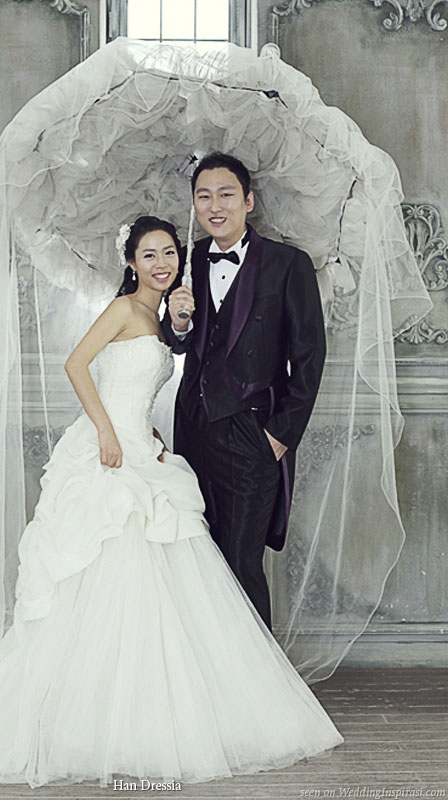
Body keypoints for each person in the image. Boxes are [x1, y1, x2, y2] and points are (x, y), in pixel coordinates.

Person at [0, 216, 342, 788]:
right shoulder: (122, 310)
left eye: (169, 254)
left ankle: (145, 701)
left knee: (158, 575)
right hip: (106, 451)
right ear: (131, 263)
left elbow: (151, 382)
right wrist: (108, 432)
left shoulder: (160, 321)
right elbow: (76, 366)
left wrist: (152, 422)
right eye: (149, 255)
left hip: (142, 450)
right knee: (106, 563)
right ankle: (86, 708)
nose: (161, 264)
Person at [163, 152, 327, 632]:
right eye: (204, 196)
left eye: (226, 194)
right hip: (193, 430)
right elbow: (175, 340)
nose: (215, 206)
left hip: (253, 432)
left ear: (248, 201)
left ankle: (258, 690)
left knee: (240, 560)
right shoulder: (186, 258)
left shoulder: (288, 264)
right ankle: (208, 678)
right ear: (194, 204)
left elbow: (310, 358)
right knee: (199, 557)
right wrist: (177, 322)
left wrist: (279, 436)